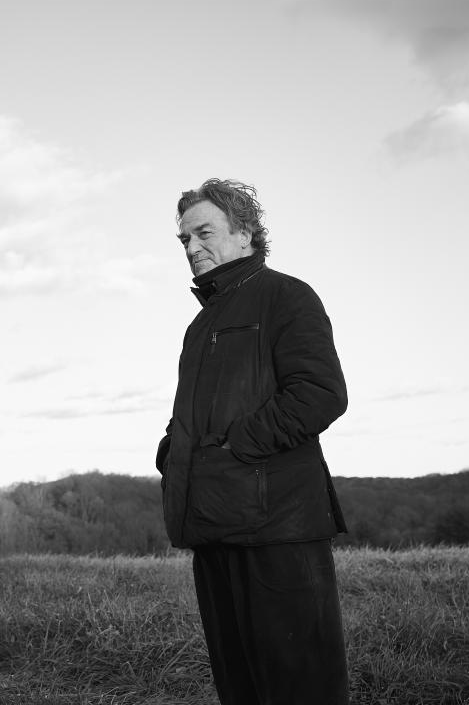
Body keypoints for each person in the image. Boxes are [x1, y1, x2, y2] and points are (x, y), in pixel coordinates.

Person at [156, 179, 350, 705]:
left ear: (244, 234)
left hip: (278, 528)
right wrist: (172, 452)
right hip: (213, 524)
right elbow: (196, 414)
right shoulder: (202, 324)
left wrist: (236, 448)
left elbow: (320, 395)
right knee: (240, 686)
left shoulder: (286, 295)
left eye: (204, 233)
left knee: (301, 688)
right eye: (185, 239)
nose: (192, 247)